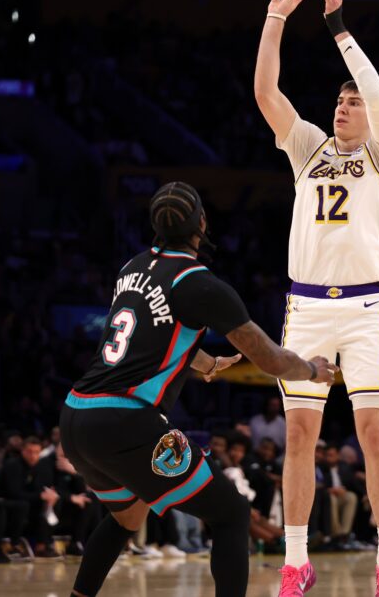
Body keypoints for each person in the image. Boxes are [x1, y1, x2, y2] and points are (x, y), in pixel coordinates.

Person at [59, 181, 336, 597]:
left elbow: (144, 338)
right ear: (201, 224)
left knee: (127, 518)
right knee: (231, 513)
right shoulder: (201, 284)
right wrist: (312, 370)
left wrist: (201, 360)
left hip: (76, 416)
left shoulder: (130, 268)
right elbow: (270, 359)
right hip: (126, 420)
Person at [255, 0, 379, 597]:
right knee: (299, 434)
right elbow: (266, 94)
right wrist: (276, 19)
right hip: (308, 308)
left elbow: (373, 90)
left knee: (375, 434)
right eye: (338, 102)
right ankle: (296, 562)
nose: (344, 108)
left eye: (353, 105)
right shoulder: (309, 149)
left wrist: (337, 26)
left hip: (368, 308)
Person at [0, 436, 60, 557]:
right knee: (24, 505)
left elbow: (40, 488)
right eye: (29, 452)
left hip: (21, 501)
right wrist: (40, 495)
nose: (33, 456)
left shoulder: (40, 466)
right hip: (0, 500)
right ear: (22, 451)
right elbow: (13, 492)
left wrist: (50, 495)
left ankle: (43, 544)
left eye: (37, 452)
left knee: (51, 502)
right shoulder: (13, 465)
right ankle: (14, 544)